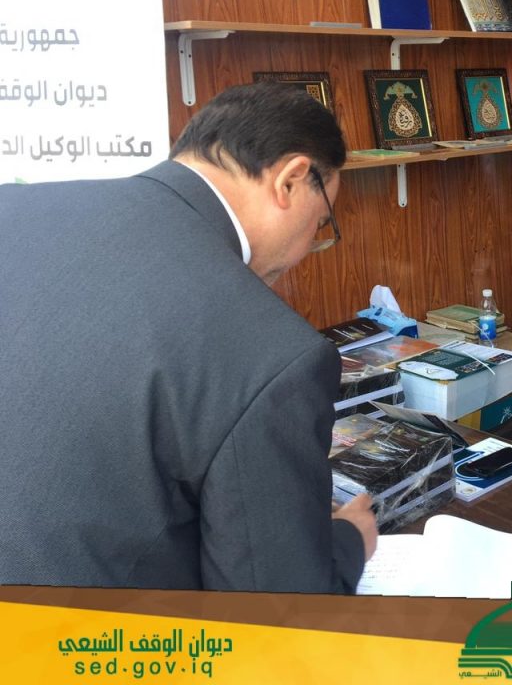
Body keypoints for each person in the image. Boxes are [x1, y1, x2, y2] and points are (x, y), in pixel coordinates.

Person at [0, 82, 377, 592]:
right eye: (321, 222)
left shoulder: (14, 207)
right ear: (290, 181)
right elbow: (274, 612)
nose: (309, 246)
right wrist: (350, 542)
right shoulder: (269, 351)